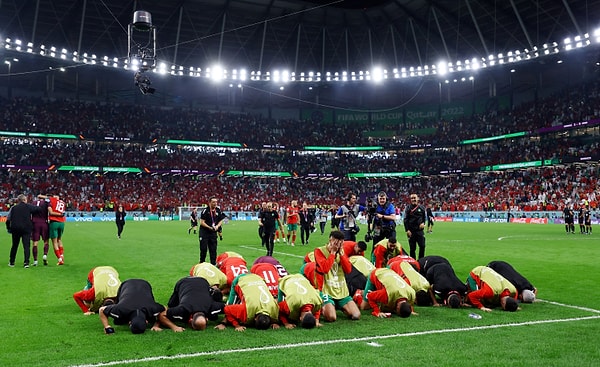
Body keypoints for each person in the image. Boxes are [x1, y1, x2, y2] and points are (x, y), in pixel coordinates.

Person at [314, 230, 361, 320]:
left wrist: (342, 255)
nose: (337, 245)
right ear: (330, 240)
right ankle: (327, 306)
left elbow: (348, 270)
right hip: (326, 290)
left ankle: (337, 305)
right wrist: (332, 253)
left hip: (341, 290)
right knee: (331, 317)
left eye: (340, 243)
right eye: (335, 242)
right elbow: (325, 269)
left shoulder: (342, 252)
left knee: (356, 315)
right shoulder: (319, 251)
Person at [216, 273, 280, 331]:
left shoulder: (274, 308)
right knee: (231, 304)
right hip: (240, 280)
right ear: (255, 319)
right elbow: (227, 309)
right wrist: (236, 325)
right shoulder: (246, 308)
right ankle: (223, 322)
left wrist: (275, 322)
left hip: (257, 277)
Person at [157, 277, 225, 332]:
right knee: (171, 305)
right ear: (190, 320)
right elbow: (161, 315)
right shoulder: (182, 310)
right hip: (183, 282)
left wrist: (223, 324)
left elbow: (230, 309)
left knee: (216, 298)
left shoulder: (213, 307)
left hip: (202, 281)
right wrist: (174, 327)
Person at [99, 279, 165, 334]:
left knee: (152, 319)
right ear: (146, 322)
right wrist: (107, 326)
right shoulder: (120, 309)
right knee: (118, 321)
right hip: (126, 285)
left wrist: (156, 325)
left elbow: (164, 309)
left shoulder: (152, 308)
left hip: (144, 285)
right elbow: (101, 310)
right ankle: (109, 301)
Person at [6, 194, 41, 268]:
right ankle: (26, 263)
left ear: (18, 201)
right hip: (26, 228)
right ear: (25, 200)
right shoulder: (28, 206)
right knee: (26, 246)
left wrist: (9, 228)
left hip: (15, 229)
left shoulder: (13, 208)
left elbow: (8, 219)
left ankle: (12, 262)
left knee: (14, 245)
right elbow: (39, 209)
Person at [199, 197, 226, 265]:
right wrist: (209, 227)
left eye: (216, 202)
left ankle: (213, 264)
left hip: (213, 233)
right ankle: (202, 263)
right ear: (209, 202)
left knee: (213, 249)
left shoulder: (218, 210)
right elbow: (202, 222)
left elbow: (220, 220)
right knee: (203, 249)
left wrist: (217, 226)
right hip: (204, 232)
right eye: (213, 202)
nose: (215, 203)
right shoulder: (205, 211)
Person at [403, 193, 427, 259]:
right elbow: (405, 219)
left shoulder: (421, 208)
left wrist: (423, 223)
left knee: (422, 246)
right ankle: (413, 262)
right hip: (411, 231)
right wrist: (407, 230)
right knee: (412, 248)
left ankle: (421, 260)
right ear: (410, 200)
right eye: (412, 198)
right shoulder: (408, 208)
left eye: (414, 198)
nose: (413, 199)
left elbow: (424, 217)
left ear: (418, 199)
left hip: (419, 231)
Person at [47, 194, 66, 265]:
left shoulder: (52, 200)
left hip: (54, 222)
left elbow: (51, 212)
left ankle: (59, 259)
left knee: (54, 242)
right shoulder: (63, 203)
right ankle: (62, 255)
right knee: (59, 239)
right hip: (62, 223)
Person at [30, 194, 49, 266]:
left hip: (35, 223)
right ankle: (45, 255)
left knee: (35, 243)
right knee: (46, 241)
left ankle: (35, 261)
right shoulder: (46, 203)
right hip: (44, 223)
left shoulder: (33, 203)